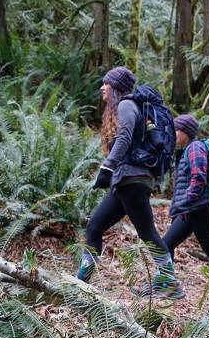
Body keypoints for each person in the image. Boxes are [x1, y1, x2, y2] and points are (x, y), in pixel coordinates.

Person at [76, 67, 184, 300]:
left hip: (131, 179)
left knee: (147, 232)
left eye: (106, 84)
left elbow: (124, 136)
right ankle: (81, 282)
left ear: (116, 87)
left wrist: (107, 166)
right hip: (126, 181)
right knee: (95, 227)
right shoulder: (132, 106)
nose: (102, 88)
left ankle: (170, 283)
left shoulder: (126, 105)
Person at [159, 114, 209, 303]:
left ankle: (170, 286)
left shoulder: (195, 148)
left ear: (185, 132)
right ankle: (168, 285)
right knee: (173, 245)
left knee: (169, 245)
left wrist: (185, 204)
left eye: (176, 130)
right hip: (194, 210)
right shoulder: (188, 150)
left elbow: (198, 178)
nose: (173, 134)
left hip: (196, 209)